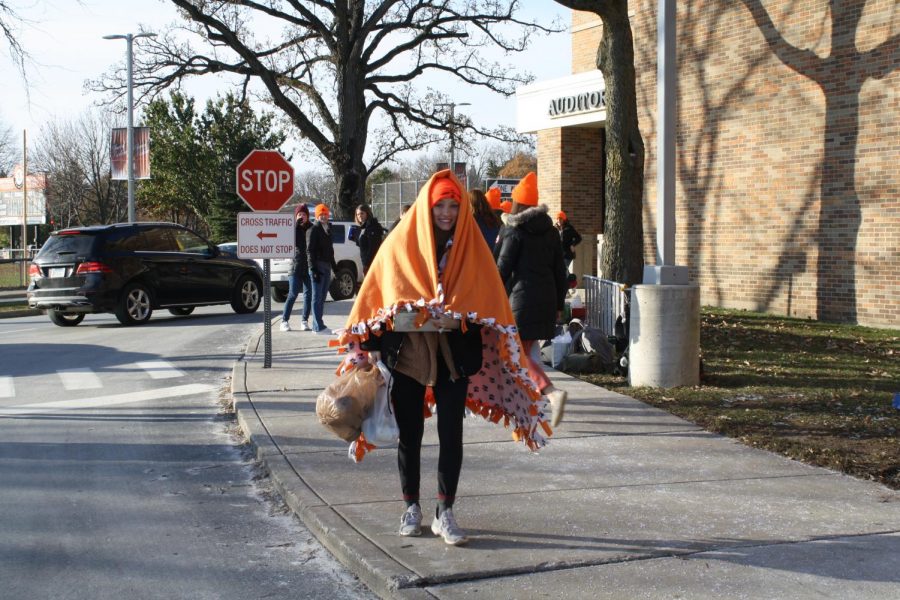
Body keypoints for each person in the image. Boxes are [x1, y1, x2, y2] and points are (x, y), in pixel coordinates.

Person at [337, 169, 551, 547]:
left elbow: (489, 296)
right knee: (411, 433)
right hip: (408, 355)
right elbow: (377, 293)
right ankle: (411, 506)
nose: (448, 213)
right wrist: (369, 343)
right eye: (441, 206)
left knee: (452, 432)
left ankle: (444, 511)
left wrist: (461, 311)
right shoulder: (399, 241)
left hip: (456, 355)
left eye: (454, 205)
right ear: (427, 206)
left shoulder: (472, 246)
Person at [495, 172, 569, 427]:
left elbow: (502, 268)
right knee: (528, 349)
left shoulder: (514, 232)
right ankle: (530, 402)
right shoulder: (550, 232)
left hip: (521, 302)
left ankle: (549, 392)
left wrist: (489, 295)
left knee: (513, 352)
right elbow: (561, 271)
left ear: (516, 204)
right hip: (547, 299)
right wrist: (559, 304)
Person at [307, 204, 339, 335]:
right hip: (318, 265)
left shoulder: (328, 229)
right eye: (321, 214)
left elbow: (330, 251)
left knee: (322, 296)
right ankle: (317, 326)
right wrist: (313, 269)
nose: (323, 216)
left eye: (325, 214)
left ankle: (319, 323)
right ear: (316, 216)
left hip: (326, 265)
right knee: (316, 296)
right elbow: (309, 250)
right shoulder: (313, 229)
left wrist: (335, 267)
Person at [280, 204, 313, 332]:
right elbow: (288, 240)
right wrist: (295, 225)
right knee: (293, 293)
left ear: (307, 216)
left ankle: (304, 321)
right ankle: (284, 321)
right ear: (296, 216)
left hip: (309, 267)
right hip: (296, 266)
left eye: (304, 215)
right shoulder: (293, 228)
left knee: (308, 295)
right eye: (299, 215)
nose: (302, 217)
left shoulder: (311, 228)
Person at [354, 204, 385, 275]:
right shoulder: (362, 227)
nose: (360, 216)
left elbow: (373, 247)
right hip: (365, 262)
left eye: (362, 213)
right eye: (358, 214)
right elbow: (362, 245)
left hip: (373, 262)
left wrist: (367, 264)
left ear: (367, 213)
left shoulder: (372, 226)